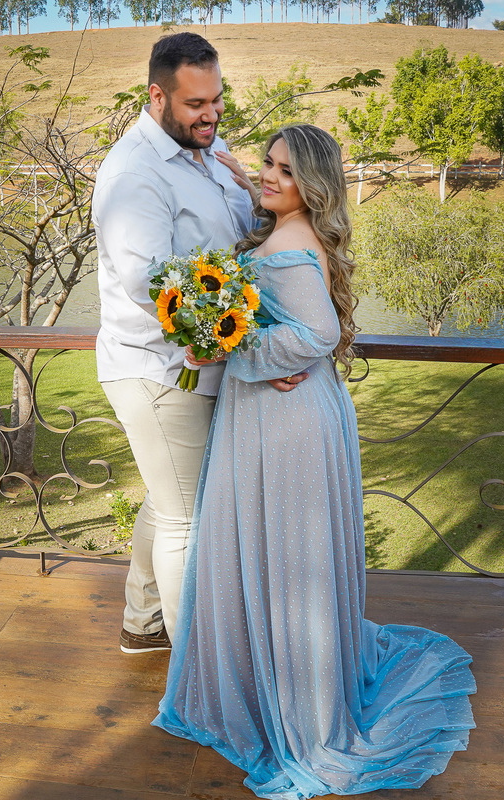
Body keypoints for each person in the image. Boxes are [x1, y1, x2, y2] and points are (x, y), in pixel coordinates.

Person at [154, 124, 477, 799]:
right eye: (269, 165)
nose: (271, 177)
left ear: (313, 186)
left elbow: (319, 334)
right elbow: (295, 323)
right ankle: (273, 681)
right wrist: (241, 175)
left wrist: (231, 352)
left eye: (285, 172)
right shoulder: (290, 229)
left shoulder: (293, 246)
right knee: (280, 560)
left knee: (288, 562)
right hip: (291, 414)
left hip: (288, 424)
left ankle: (304, 716)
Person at [94, 33, 305, 655]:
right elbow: (153, 287)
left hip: (204, 365)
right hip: (161, 372)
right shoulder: (134, 176)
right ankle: (200, 672)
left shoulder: (208, 153)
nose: (210, 114)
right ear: (156, 96)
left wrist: (249, 192)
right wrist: (257, 355)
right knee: (187, 518)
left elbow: (239, 251)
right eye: (194, 104)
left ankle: (143, 621)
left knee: (170, 499)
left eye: (216, 99)